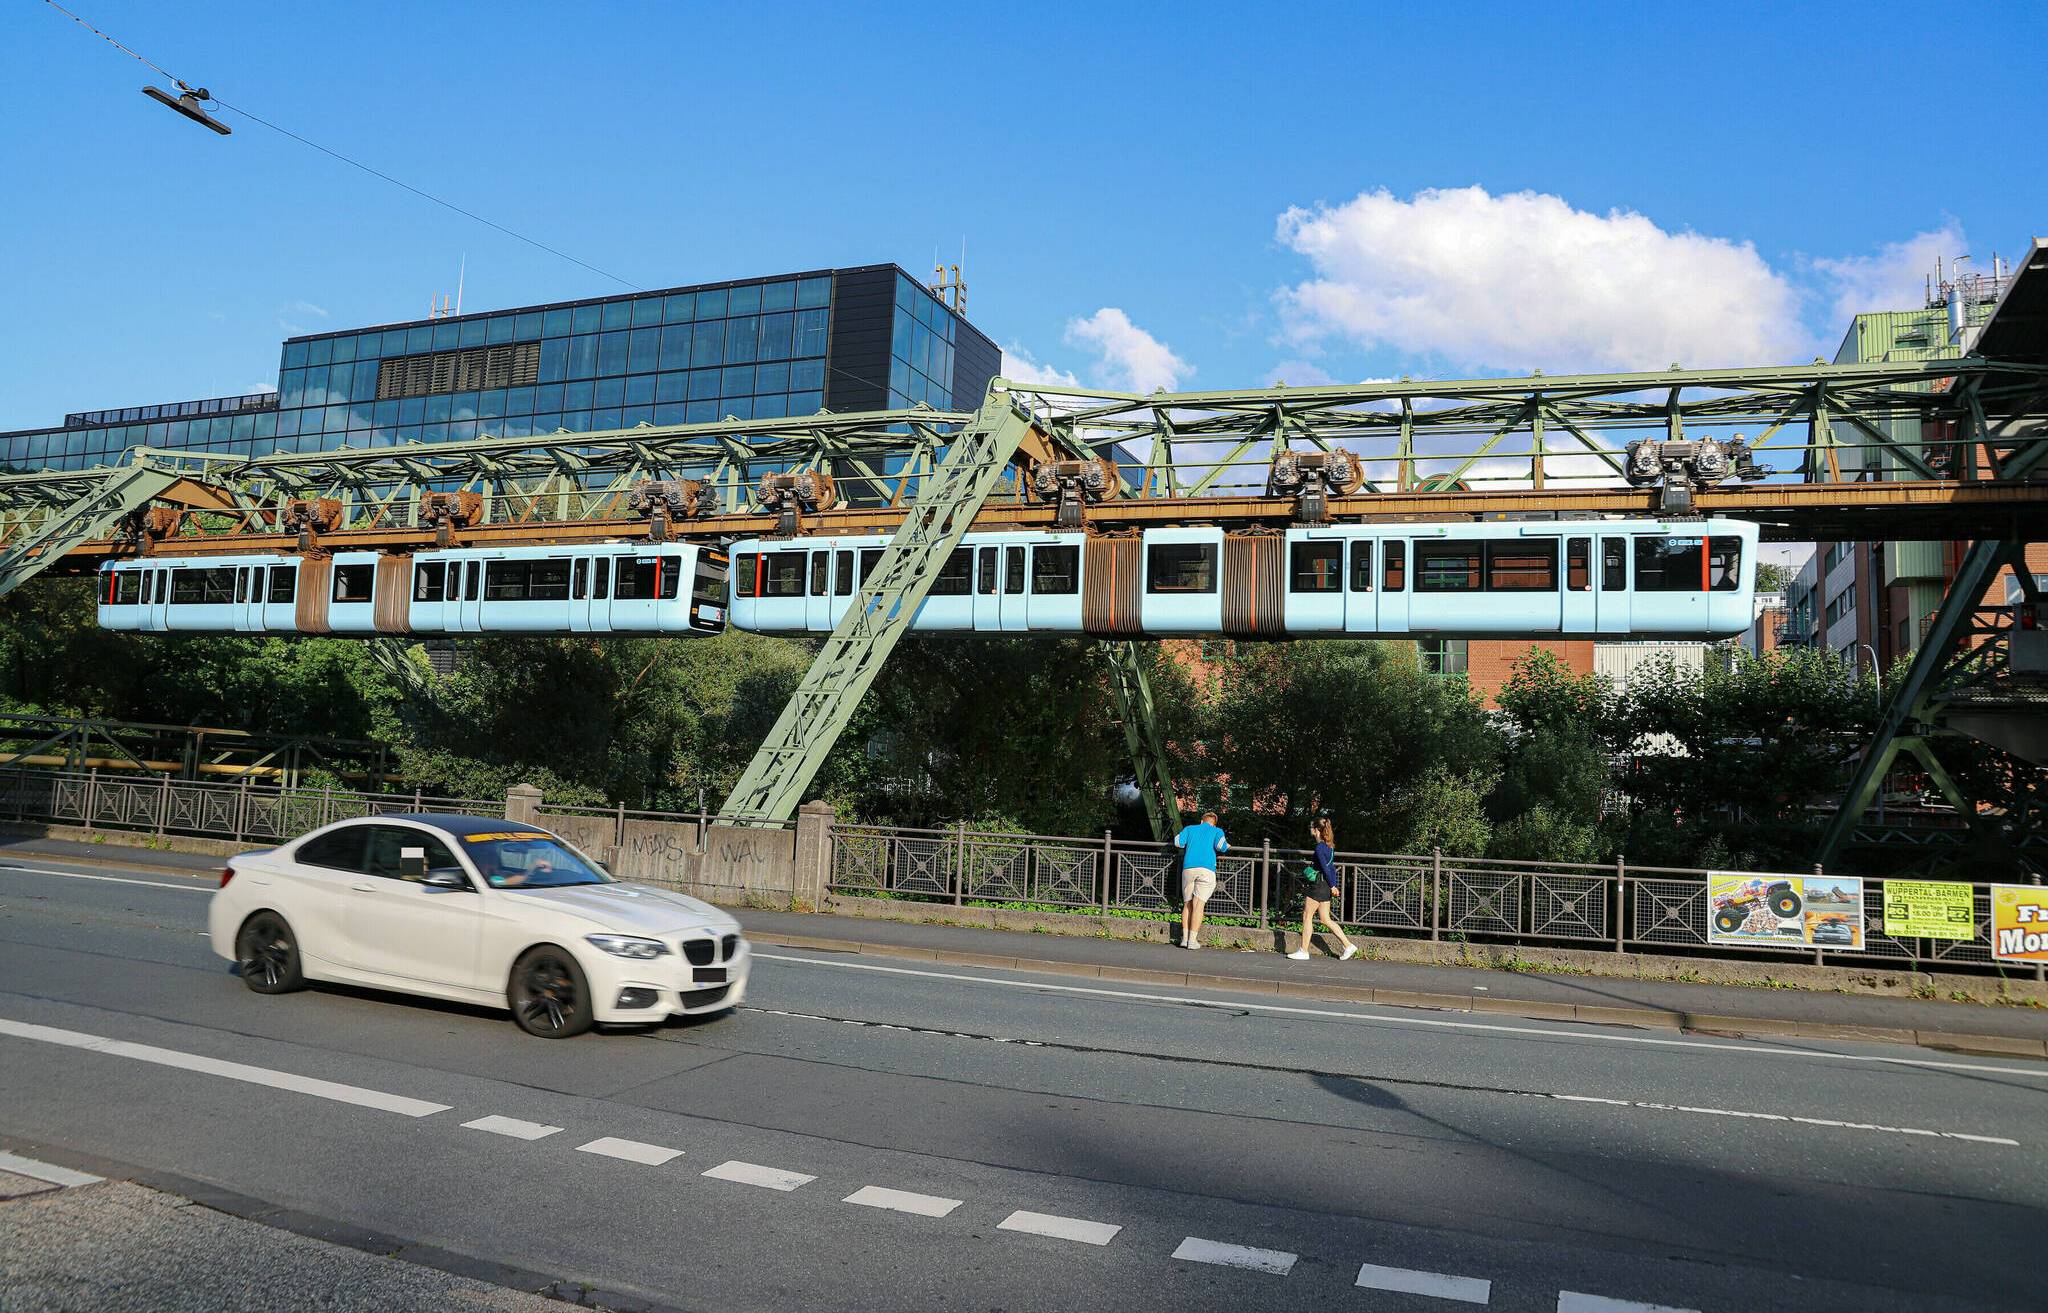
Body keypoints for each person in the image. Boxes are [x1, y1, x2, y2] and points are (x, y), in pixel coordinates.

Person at [1289, 817, 1359, 961]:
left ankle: (1303, 951)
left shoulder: (1320, 847)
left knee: (1307, 916)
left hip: (1319, 886)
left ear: (1316, 830)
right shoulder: (1329, 846)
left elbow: (1326, 869)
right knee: (1325, 919)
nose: (1310, 830)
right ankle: (1348, 945)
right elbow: (1331, 868)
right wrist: (1332, 884)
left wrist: (1333, 885)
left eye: (1311, 828)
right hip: (1325, 886)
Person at [1173, 810, 1229, 949]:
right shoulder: (1217, 831)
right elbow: (1221, 846)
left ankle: (1184, 939)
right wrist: (1228, 846)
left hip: (1188, 868)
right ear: (1214, 824)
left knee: (1187, 904)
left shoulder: (1190, 828)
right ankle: (1192, 941)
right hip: (1206, 870)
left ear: (1201, 821)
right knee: (1198, 904)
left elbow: (1177, 842)